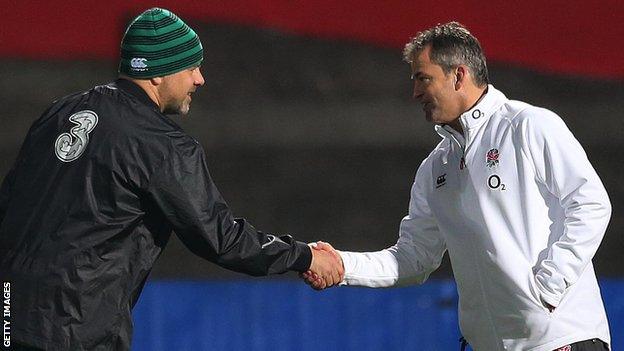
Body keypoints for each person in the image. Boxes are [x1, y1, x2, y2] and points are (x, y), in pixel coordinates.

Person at [0, 8, 343, 351]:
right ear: (156, 75)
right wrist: (304, 256)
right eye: (191, 67)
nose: (200, 79)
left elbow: (8, 203)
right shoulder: (162, 143)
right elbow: (221, 239)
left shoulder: (60, 112)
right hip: (72, 331)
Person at [302, 22, 611, 351]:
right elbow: (413, 258)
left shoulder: (528, 125)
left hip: (559, 341)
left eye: (423, 78)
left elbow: (591, 203)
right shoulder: (435, 167)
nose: (416, 93)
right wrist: (341, 265)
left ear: (459, 75)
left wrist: (547, 288)